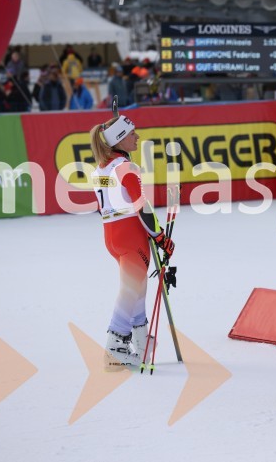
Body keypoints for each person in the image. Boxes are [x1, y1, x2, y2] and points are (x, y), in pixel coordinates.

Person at [89, 114, 175, 369]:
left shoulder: (101, 168)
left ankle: (140, 340)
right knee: (130, 291)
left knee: (136, 288)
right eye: (132, 134)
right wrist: (160, 236)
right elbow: (142, 206)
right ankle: (115, 347)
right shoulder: (126, 167)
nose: (137, 137)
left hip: (112, 237)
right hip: (130, 236)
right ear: (119, 139)